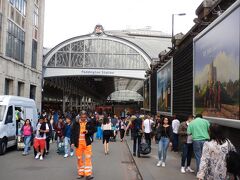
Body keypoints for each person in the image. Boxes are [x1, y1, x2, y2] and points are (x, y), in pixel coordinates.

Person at [71, 111, 95, 180]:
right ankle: (81, 173)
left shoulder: (89, 122)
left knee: (88, 158)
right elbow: (72, 133)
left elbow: (93, 130)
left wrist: (88, 131)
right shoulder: (76, 123)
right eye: (82, 117)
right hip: (78, 144)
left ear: (86, 116)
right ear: (80, 116)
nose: (83, 118)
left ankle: (88, 174)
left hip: (87, 143)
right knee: (79, 158)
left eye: (85, 117)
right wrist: (72, 142)